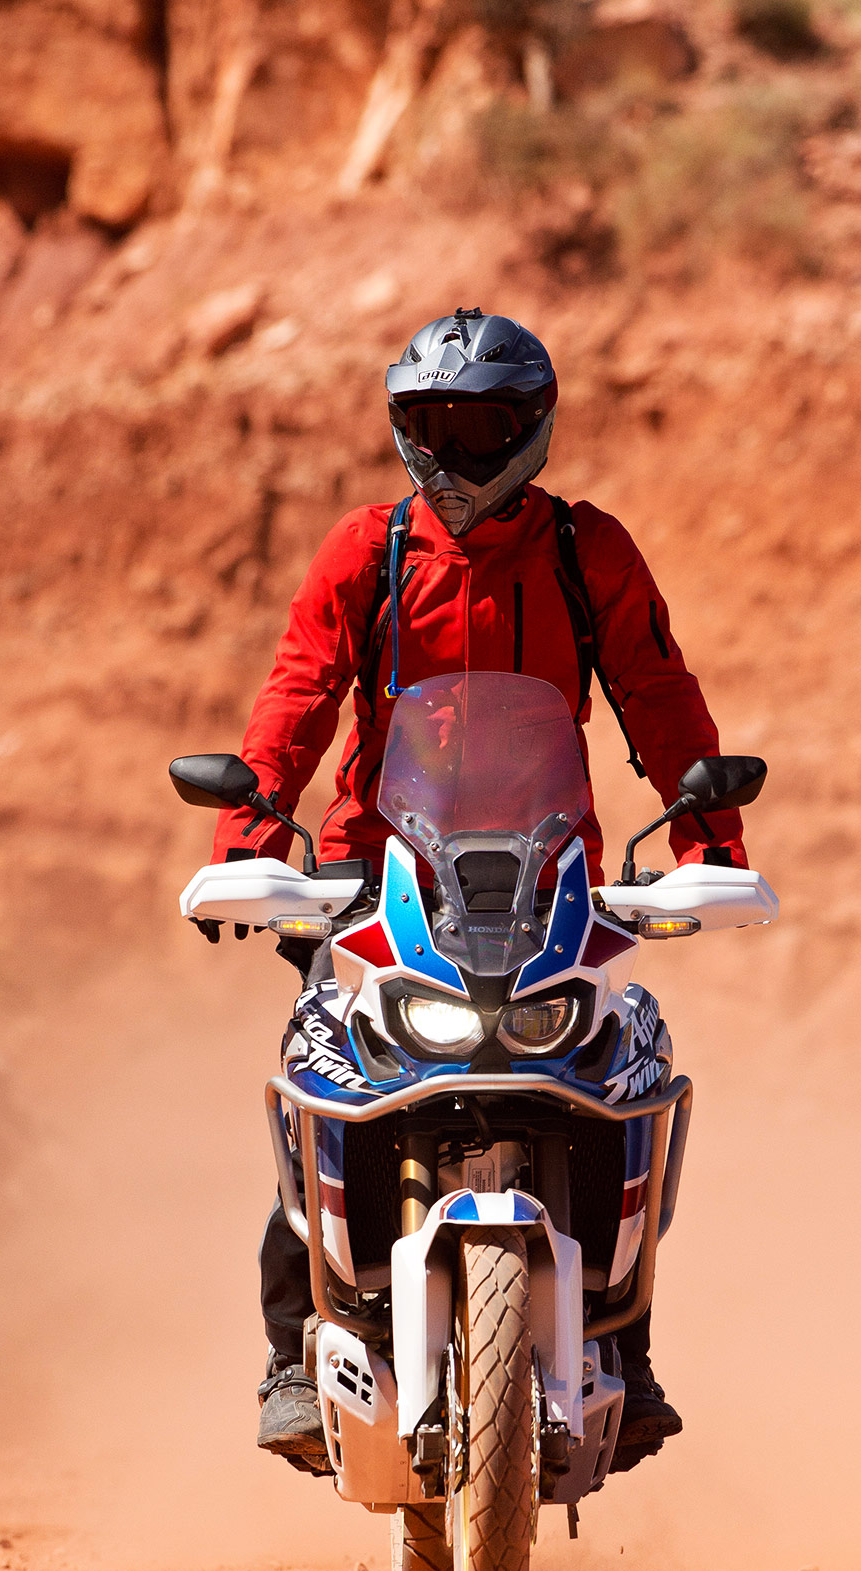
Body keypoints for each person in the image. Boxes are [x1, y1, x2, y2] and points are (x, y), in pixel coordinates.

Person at [205, 307, 746, 1476]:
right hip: (374, 871)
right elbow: (299, 690)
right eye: (432, 423)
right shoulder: (368, 549)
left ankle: (622, 1346)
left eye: (481, 425)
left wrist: (707, 844)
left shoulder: (586, 552)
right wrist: (249, 837)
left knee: (609, 1075)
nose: (453, 449)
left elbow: (657, 693)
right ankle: (295, 1354)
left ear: (532, 426)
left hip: (552, 872)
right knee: (325, 1082)